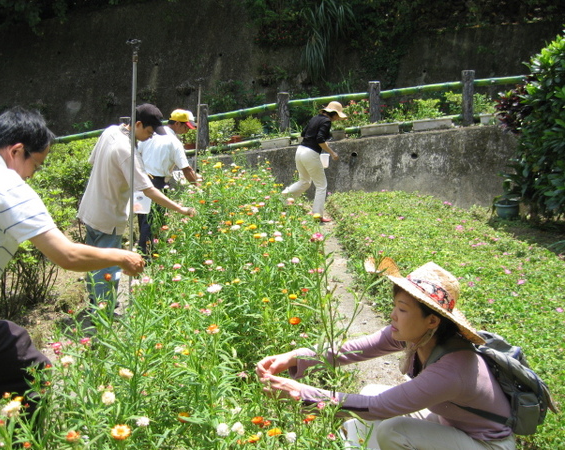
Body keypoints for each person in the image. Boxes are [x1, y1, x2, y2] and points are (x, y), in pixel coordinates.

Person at [0, 106, 145, 412]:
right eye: (36, 165)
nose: (32, 175)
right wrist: (121, 255)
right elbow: (68, 255)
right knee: (36, 377)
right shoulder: (6, 183)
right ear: (17, 150)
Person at [256, 257, 516, 450]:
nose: (393, 315)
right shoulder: (417, 338)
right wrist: (295, 357)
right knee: (369, 394)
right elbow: (351, 350)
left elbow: (380, 408)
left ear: (432, 321)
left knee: (394, 430)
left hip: (485, 443)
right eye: (395, 306)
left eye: (402, 309)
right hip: (447, 421)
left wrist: (300, 393)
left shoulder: (453, 368)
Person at [77, 103, 195, 305]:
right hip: (109, 216)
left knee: (92, 259)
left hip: (90, 209)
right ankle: (103, 312)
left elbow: (93, 160)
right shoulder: (127, 151)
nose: (150, 137)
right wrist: (181, 209)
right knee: (108, 266)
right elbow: (148, 190)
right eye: (149, 131)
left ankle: (93, 299)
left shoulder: (110, 131)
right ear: (138, 124)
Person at [136, 109, 200, 257]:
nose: (186, 131)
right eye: (186, 127)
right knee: (153, 222)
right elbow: (186, 169)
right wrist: (198, 186)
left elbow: (137, 153)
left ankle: (145, 253)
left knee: (143, 220)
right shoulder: (174, 142)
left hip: (140, 179)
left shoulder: (149, 135)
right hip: (156, 183)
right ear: (177, 124)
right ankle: (148, 257)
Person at [282, 101, 346, 223]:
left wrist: (320, 143)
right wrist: (332, 153)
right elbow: (320, 139)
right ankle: (317, 214)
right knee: (321, 185)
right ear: (333, 113)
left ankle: (281, 198)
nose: (338, 118)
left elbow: (303, 133)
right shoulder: (326, 121)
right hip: (310, 153)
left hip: (300, 151)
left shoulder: (315, 118)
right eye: (338, 115)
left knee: (304, 181)